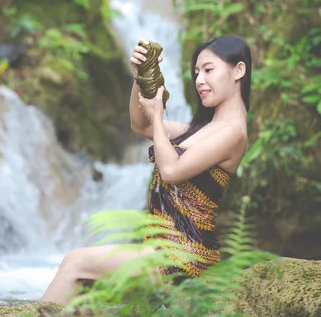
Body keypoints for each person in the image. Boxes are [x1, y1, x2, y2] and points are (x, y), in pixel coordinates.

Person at [41, 35, 252, 304]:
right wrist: (140, 78)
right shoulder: (203, 130)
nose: (199, 80)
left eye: (208, 70)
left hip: (184, 259)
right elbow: (140, 126)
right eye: (196, 72)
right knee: (85, 297)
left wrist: (156, 115)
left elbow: (172, 171)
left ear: (239, 70)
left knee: (75, 263)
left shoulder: (233, 133)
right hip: (159, 252)